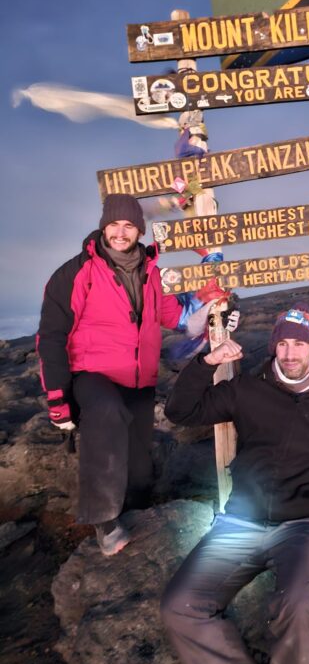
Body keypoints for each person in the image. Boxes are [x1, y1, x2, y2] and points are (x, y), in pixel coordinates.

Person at [161, 303, 309, 664]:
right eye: (283, 344)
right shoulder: (247, 390)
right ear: (274, 347)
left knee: (302, 609)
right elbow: (181, 411)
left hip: (303, 526)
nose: (290, 353)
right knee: (180, 606)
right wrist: (207, 363)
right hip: (239, 520)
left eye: (299, 344)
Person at [37, 194, 201, 556]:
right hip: (90, 375)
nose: (120, 232)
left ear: (139, 231)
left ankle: (138, 516)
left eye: (129, 226)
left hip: (139, 380)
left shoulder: (152, 272)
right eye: (114, 225)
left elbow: (175, 316)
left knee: (140, 470)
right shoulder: (75, 273)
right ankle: (104, 520)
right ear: (103, 227)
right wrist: (58, 398)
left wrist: (211, 298)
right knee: (106, 412)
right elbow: (50, 336)